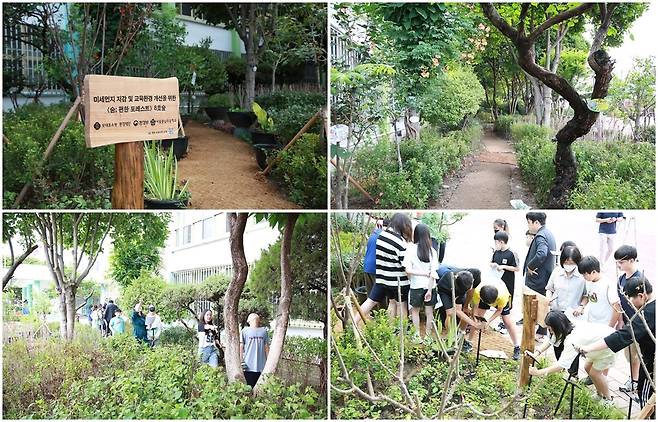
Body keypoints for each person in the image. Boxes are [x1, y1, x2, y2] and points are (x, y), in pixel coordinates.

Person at [579, 276, 655, 415]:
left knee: (647, 397)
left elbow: (623, 336)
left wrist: (589, 348)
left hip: (652, 364)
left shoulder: (648, 313)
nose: (630, 303)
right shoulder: (651, 306)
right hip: (650, 356)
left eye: (631, 299)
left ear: (641, 295)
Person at [528, 311, 617, 405]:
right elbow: (551, 340)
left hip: (608, 344)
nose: (550, 332)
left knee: (595, 373)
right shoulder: (567, 325)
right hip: (597, 343)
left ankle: (609, 399)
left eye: (550, 329)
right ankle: (599, 394)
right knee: (587, 368)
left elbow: (562, 365)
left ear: (557, 327)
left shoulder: (572, 339)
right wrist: (536, 353)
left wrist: (538, 372)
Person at [355, 213, 413, 324]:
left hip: (382, 278)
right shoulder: (400, 242)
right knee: (401, 305)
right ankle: (402, 332)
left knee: (373, 301)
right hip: (398, 282)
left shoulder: (381, 236)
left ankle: (353, 322)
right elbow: (405, 265)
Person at [520, 212, 556, 339]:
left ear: (536, 222)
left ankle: (538, 331)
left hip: (537, 278)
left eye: (529, 222)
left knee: (535, 304)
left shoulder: (540, 236)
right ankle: (541, 331)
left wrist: (530, 266)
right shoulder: (548, 233)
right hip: (544, 276)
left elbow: (541, 254)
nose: (528, 226)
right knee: (541, 303)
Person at [613, 245, 643, 395]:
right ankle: (634, 379)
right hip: (627, 323)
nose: (619, 265)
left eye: (621, 262)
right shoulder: (621, 279)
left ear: (632, 260)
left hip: (638, 324)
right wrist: (621, 321)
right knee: (629, 355)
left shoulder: (640, 281)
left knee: (636, 354)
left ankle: (635, 381)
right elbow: (620, 303)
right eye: (617, 262)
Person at [403, 223, 439, 341]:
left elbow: (407, 270)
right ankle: (428, 337)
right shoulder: (432, 251)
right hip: (430, 286)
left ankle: (416, 335)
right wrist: (429, 290)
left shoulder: (411, 249)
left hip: (416, 285)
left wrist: (418, 275)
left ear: (415, 235)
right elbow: (433, 273)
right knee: (429, 313)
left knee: (415, 312)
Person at [468, 278, 520, 359]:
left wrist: (488, 321)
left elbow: (499, 310)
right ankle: (469, 342)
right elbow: (475, 308)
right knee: (478, 319)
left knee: (507, 321)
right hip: (485, 295)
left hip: (500, 297)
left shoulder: (503, 296)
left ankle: (517, 347)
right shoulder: (478, 292)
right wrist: (475, 320)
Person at [575, 256, 620, 327]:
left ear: (594, 272)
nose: (583, 277)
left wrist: (610, 326)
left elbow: (617, 307)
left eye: (585, 274)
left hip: (605, 324)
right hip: (591, 322)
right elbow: (588, 296)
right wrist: (581, 306)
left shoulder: (608, 284)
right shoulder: (589, 281)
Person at [490, 231, 519, 334]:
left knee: (507, 305)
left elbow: (517, 268)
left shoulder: (511, 253)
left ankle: (506, 325)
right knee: (499, 303)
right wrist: (493, 265)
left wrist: (504, 267)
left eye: (496, 242)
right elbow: (491, 262)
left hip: (508, 283)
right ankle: (501, 323)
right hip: (497, 282)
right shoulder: (496, 252)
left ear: (501, 242)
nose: (495, 245)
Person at [546, 246, 586, 314]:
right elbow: (549, 289)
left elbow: (586, 295)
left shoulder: (582, 276)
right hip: (556, 311)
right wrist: (548, 298)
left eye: (572, 263)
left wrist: (581, 306)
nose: (568, 265)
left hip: (573, 313)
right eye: (566, 262)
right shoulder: (557, 271)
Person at [241, 313, 269, 388]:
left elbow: (266, 346)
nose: (256, 321)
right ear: (249, 321)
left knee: (260, 388)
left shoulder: (264, 331)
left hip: (261, 365)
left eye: (257, 319)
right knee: (249, 387)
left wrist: (268, 360)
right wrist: (241, 359)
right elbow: (241, 345)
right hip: (248, 365)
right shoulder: (244, 331)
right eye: (253, 319)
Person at [363, 219, 387, 293]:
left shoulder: (372, 235)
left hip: (367, 267)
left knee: (370, 296)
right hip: (376, 268)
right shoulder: (384, 236)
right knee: (380, 296)